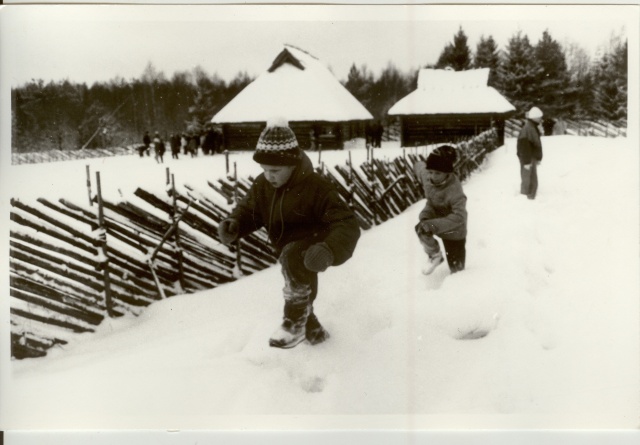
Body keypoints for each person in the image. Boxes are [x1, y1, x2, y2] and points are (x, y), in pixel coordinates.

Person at [217, 119, 361, 349]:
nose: (268, 175)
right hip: (287, 251)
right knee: (302, 293)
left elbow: (347, 223)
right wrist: (235, 224)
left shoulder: (316, 187)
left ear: (292, 164)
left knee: (295, 266)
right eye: (264, 170)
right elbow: (251, 209)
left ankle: (293, 323)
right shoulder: (264, 185)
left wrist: (329, 249)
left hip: (315, 248)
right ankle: (318, 340)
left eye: (275, 170)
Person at [413, 145, 467, 275]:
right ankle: (435, 255)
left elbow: (460, 216)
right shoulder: (427, 177)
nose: (433, 176)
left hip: (454, 231)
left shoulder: (454, 190)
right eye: (431, 171)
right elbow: (419, 167)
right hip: (436, 220)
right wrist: (426, 216)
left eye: (438, 173)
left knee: (457, 271)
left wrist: (434, 225)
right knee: (421, 228)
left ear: (447, 173)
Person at [517, 106, 544, 200]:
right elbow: (523, 146)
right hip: (528, 157)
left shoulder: (532, 127)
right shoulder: (528, 128)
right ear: (535, 118)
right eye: (539, 117)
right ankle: (525, 198)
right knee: (528, 178)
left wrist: (538, 157)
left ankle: (530, 196)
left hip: (531, 157)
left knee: (531, 178)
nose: (541, 119)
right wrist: (526, 161)